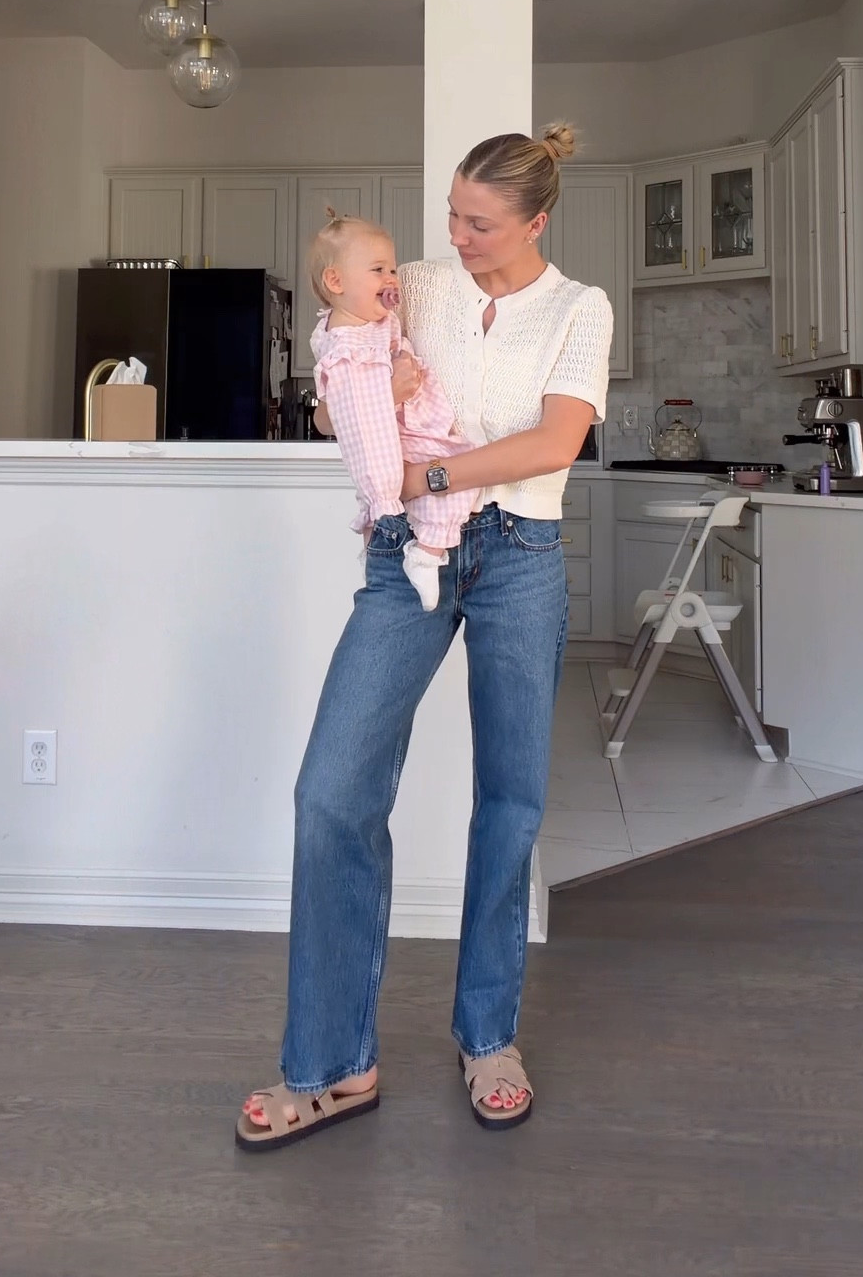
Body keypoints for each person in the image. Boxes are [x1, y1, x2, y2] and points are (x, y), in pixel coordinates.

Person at [236, 124, 613, 1151]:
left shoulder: (580, 311)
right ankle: (330, 1066)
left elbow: (554, 441)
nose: (454, 236)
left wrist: (427, 472)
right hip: (408, 556)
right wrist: (350, 400)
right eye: (451, 212)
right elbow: (341, 378)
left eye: (479, 223)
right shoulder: (420, 284)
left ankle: (489, 1037)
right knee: (332, 791)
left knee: (511, 800)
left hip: (520, 560)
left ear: (537, 221)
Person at [307, 208, 483, 609]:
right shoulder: (346, 346)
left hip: (414, 431)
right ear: (335, 280)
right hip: (400, 442)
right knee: (461, 477)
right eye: (378, 269)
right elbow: (347, 421)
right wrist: (391, 392)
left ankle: (421, 547)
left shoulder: (374, 319)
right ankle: (428, 553)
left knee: (463, 476)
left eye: (391, 268)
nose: (391, 278)